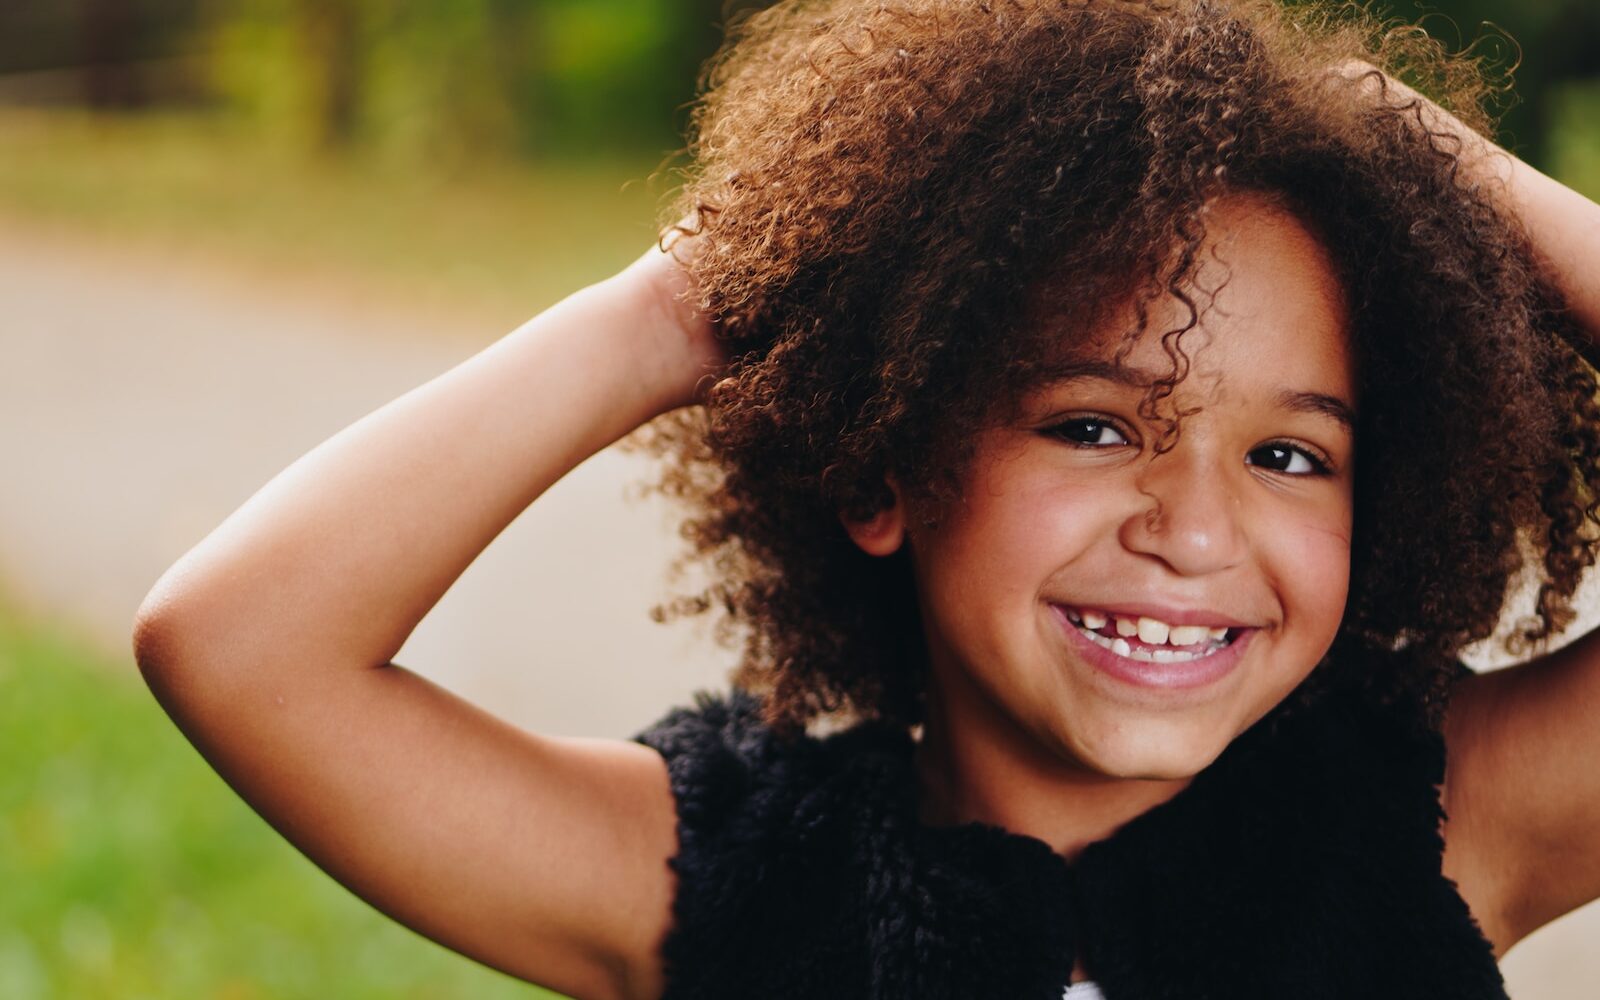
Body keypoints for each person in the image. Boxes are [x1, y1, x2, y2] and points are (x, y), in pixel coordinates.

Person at [131, 1, 1600, 998]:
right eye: (1093, 426)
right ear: (879, 468)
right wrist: (685, 306)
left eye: (1291, 456)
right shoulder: (726, 878)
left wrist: (1423, 153)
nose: (1196, 531)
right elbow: (239, 645)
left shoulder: (1440, 826)